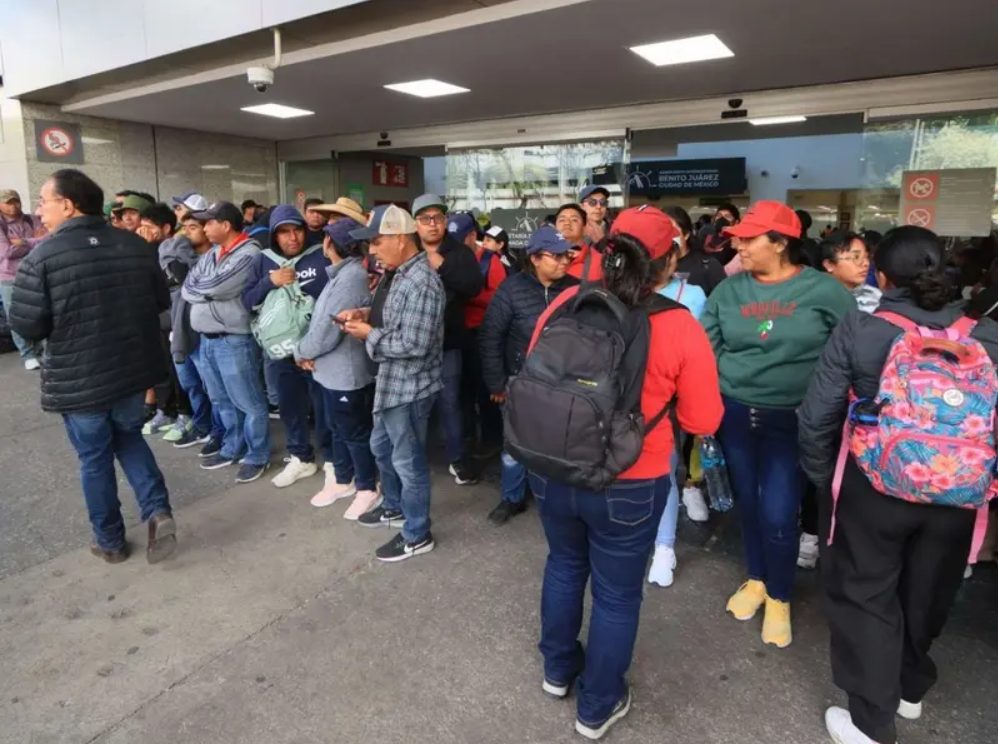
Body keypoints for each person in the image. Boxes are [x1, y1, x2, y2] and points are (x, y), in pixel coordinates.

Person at [527, 206, 723, 740]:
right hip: (631, 479)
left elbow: (535, 376)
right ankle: (597, 706)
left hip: (554, 467)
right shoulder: (679, 325)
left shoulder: (568, 301)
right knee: (616, 595)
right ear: (668, 262)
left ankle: (557, 670)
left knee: (564, 564)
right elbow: (702, 419)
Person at [797, 226, 998, 744]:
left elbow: (817, 413)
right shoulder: (988, 336)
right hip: (958, 492)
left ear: (880, 276)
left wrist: (824, 483)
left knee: (866, 593)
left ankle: (869, 721)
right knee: (928, 589)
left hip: (874, 485)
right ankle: (910, 688)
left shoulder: (862, 327)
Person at [701, 200, 855, 649]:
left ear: (781, 242)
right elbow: (706, 348)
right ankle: (756, 578)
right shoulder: (729, 292)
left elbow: (851, 351)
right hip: (734, 414)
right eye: (739, 238)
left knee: (779, 511)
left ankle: (781, 596)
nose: (740, 246)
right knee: (747, 503)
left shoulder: (824, 292)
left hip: (794, 420)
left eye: (750, 239)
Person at [9, 169, 176, 565]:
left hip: (79, 379)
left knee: (94, 458)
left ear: (67, 204)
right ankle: (158, 512)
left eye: (43, 203)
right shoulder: (135, 247)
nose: (39, 212)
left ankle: (111, 542)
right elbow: (157, 302)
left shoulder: (43, 256)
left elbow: (27, 323)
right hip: (131, 371)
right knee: (130, 439)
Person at [339, 204, 445, 562]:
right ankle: (396, 506)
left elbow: (414, 345)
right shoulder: (398, 272)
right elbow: (393, 318)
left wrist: (368, 334)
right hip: (392, 385)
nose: (372, 249)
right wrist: (365, 315)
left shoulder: (422, 282)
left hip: (410, 388)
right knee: (381, 447)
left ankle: (417, 533)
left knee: (408, 462)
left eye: (377, 241)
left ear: (401, 239)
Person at [479, 225, 578, 524]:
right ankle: (512, 498)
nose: (563, 262)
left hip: (563, 384)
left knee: (559, 445)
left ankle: (557, 499)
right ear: (535, 258)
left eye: (567, 256)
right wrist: (497, 382)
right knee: (514, 445)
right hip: (519, 381)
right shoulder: (512, 289)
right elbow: (490, 337)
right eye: (556, 256)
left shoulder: (577, 290)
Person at [294, 218, 380, 519]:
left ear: (330, 244)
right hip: (328, 370)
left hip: (347, 373)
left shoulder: (351, 277)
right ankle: (344, 480)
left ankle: (368, 486)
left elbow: (328, 330)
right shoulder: (341, 274)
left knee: (354, 431)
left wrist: (300, 352)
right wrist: (306, 352)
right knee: (337, 428)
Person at [242, 205, 332, 489]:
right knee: (290, 406)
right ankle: (301, 457)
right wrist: (270, 282)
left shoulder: (320, 255)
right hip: (282, 351)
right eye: (284, 232)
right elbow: (247, 301)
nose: (292, 237)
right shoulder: (263, 261)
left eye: (297, 230)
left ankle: (332, 460)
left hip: (319, 350)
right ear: (274, 236)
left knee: (323, 407)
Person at [182, 201, 271, 483]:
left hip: (233, 340)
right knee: (221, 399)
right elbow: (188, 286)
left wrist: (205, 290)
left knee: (248, 401)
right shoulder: (213, 254)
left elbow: (216, 287)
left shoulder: (248, 253)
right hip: (207, 340)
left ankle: (258, 454)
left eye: (209, 222)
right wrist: (204, 291)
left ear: (226, 225)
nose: (204, 228)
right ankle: (233, 447)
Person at [645, 219, 710, 588]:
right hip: (625, 403)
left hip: (667, 406)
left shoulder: (693, 296)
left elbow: (700, 356)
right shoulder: (614, 293)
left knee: (665, 471)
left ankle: (664, 547)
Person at [412, 193, 484, 485]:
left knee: (449, 402)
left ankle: (457, 459)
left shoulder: (459, 253)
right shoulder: (406, 249)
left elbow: (473, 287)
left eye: (438, 218)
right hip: (412, 343)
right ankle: (415, 458)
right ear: (415, 224)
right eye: (426, 219)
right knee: (415, 403)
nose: (433, 225)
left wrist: (441, 265)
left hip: (448, 342)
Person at [167, 213, 225, 454]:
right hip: (181, 331)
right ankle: (202, 425)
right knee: (190, 383)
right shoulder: (180, 257)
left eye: (193, 227)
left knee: (214, 390)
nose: (187, 232)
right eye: (185, 228)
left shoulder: (216, 258)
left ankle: (219, 432)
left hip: (206, 332)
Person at [137, 202, 192, 438]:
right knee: (161, 368)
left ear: (167, 227)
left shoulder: (177, 248)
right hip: (153, 318)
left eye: (149, 227)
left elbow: (175, 279)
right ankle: (165, 409)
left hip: (174, 317)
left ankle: (184, 414)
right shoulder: (142, 247)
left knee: (179, 368)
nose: (144, 231)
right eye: (142, 226)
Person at [460, 214, 509, 458]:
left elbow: (499, 299)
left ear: (472, 235)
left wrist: (467, 295)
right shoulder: (451, 258)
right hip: (456, 333)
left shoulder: (489, 260)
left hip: (481, 332)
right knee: (462, 393)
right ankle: (466, 440)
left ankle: (491, 440)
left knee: (485, 389)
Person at [0, 188, 47, 370]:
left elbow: (48, 240)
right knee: (16, 315)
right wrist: (33, 240)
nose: (13, 206)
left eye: (15, 201)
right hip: (9, 276)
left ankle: (39, 349)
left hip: (35, 271)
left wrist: (23, 242)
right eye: (7, 202)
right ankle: (27, 353)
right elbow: (5, 252)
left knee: (39, 311)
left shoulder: (31, 219)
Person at [662, 205, 726, 295]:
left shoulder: (709, 266)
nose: (666, 236)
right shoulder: (654, 267)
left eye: (672, 231)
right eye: (661, 231)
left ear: (686, 235)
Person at [819, 230, 882, 313]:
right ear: (829, 265)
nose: (866, 263)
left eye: (866, 257)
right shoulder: (814, 296)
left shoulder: (877, 298)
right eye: (856, 257)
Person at [556, 203, 602, 282]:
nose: (567, 223)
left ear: (585, 228)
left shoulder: (597, 261)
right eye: (562, 220)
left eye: (574, 220)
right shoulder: (544, 259)